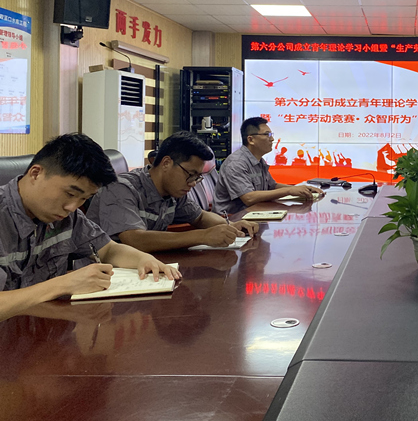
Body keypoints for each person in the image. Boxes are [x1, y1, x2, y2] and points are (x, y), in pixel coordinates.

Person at [0, 134, 179, 320]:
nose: (72, 207)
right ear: (36, 174)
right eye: (70, 194)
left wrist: (143, 259)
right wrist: (62, 285)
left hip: (47, 326)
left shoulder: (67, 216)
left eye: (84, 198)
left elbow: (108, 249)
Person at [86, 131, 257, 253]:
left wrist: (231, 227)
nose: (193, 183)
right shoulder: (121, 188)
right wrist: (203, 236)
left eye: (197, 177)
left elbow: (199, 217)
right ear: (166, 163)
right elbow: (135, 240)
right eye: (190, 174)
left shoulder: (173, 193)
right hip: (106, 273)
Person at [215, 117, 324, 214]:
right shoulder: (236, 163)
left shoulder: (258, 160)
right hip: (231, 219)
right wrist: (289, 191)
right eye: (267, 135)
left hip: (254, 213)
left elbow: (272, 186)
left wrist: (301, 189)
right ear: (251, 140)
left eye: (271, 135)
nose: (272, 139)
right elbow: (248, 198)